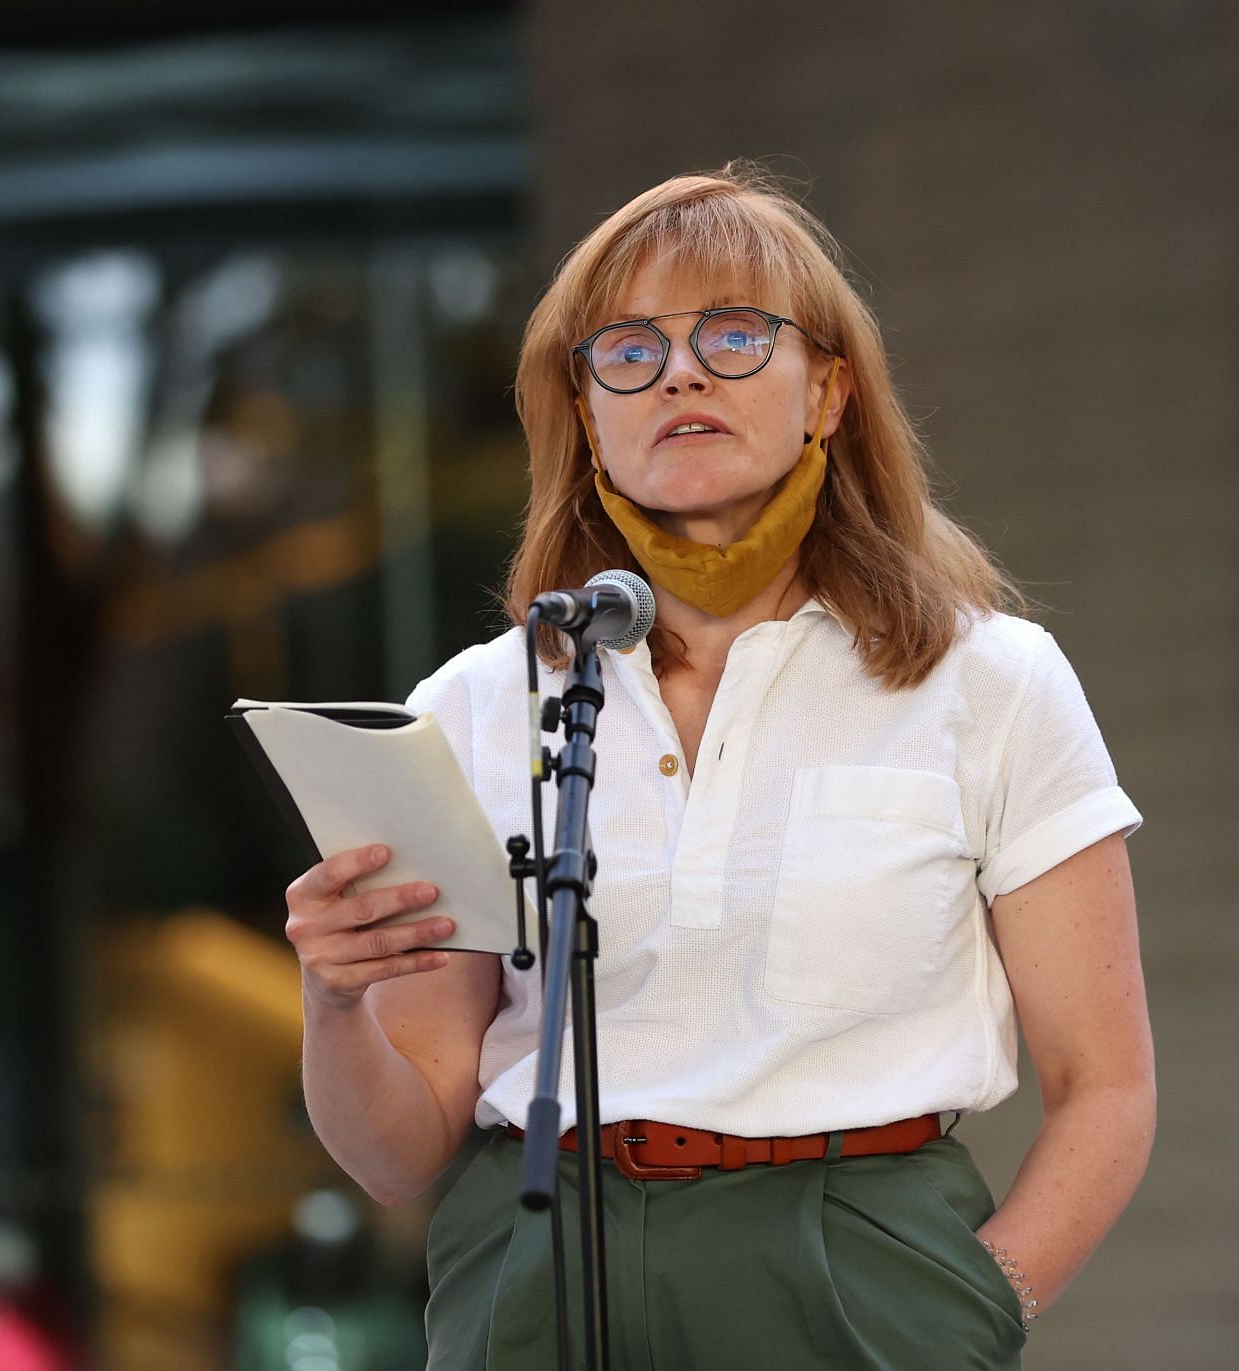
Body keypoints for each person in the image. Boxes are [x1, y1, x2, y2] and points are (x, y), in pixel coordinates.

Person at [283, 162, 1155, 1369]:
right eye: (628, 351)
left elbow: (1104, 1086)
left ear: (830, 391)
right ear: (587, 412)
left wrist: (970, 1309)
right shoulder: (477, 707)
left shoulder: (987, 680)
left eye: (735, 335)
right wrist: (332, 1005)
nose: (681, 372)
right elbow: (399, 1150)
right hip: (539, 1270)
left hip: (856, 1263)